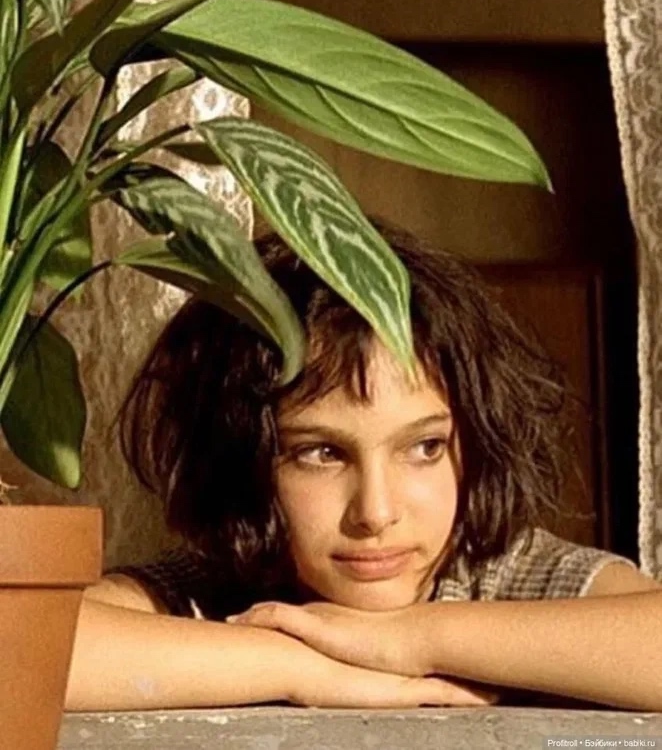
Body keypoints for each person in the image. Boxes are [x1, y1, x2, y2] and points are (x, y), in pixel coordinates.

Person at [67, 217, 662, 713]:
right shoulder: (217, 590)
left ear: (476, 443)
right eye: (321, 453)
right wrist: (299, 666)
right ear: (239, 458)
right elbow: (32, 649)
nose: (376, 513)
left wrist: (412, 640)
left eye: (425, 448)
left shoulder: (511, 573)